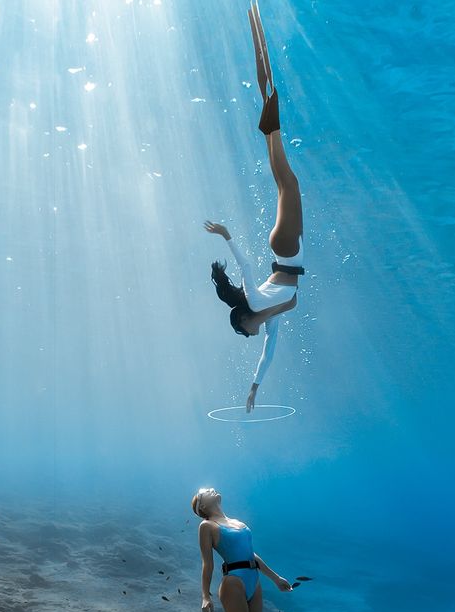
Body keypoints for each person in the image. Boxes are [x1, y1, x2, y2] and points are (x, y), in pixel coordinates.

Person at [204, 0, 304, 413]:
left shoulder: (259, 304)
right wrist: (253, 389)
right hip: (284, 250)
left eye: (247, 332)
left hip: (286, 249)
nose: (254, 335)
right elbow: (271, 351)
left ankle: (270, 116)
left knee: (287, 177)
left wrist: (228, 235)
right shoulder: (267, 315)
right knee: (284, 176)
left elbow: (245, 271)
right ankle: (269, 122)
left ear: (245, 319)